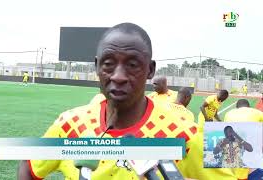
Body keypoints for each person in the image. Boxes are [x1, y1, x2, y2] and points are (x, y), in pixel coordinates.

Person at [18, 23, 242, 180]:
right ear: (97, 66)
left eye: (133, 64)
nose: (118, 75)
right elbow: (28, 167)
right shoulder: (69, 124)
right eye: (108, 63)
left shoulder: (186, 133)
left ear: (150, 70)